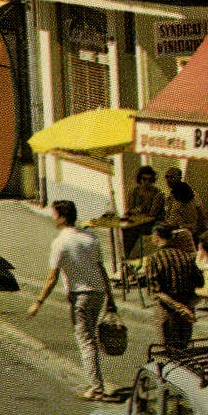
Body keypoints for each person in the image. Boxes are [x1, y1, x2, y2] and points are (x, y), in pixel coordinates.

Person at [25, 200, 116, 401]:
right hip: (98, 293)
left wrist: (38, 302)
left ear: (63, 218)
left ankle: (96, 389)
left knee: (86, 341)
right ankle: (96, 382)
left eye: (55, 214)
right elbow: (101, 269)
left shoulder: (60, 243)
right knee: (90, 338)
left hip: (80, 296)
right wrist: (111, 298)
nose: (53, 218)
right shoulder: (91, 238)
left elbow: (52, 277)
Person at [142, 221, 202, 349]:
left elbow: (157, 291)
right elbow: (200, 284)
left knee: (169, 350)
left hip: (167, 312)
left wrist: (177, 307)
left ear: (156, 237)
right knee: (183, 349)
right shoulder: (186, 256)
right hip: (187, 311)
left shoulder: (153, 259)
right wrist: (186, 307)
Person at [123, 166, 166, 253]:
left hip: (152, 224)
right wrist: (132, 213)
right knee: (122, 230)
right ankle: (123, 254)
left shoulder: (157, 194)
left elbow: (152, 215)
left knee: (132, 231)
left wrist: (135, 213)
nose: (147, 182)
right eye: (144, 179)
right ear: (139, 179)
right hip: (136, 222)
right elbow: (128, 210)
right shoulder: (133, 192)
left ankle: (126, 254)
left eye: (150, 180)